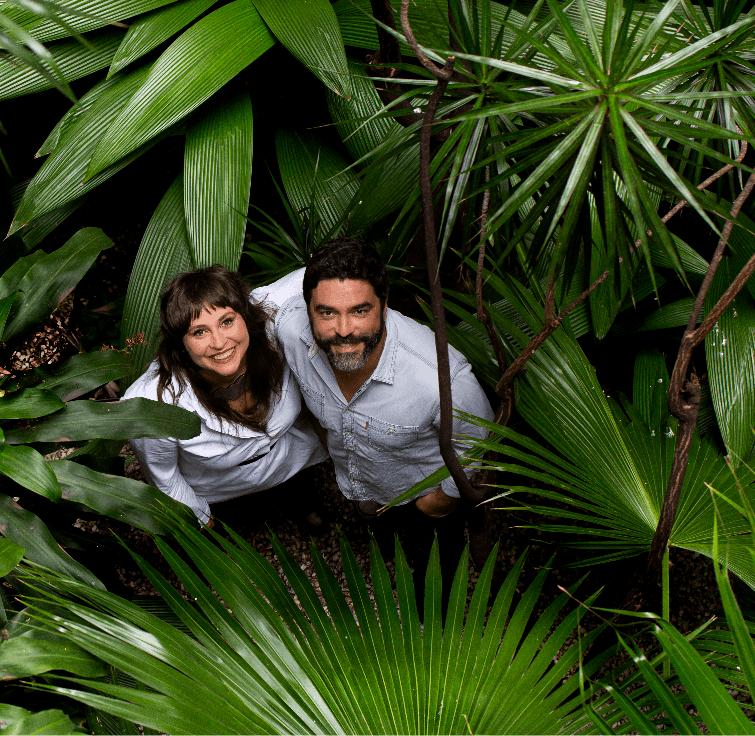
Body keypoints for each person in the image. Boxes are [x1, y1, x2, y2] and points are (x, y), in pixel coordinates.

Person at [255, 238, 492, 600]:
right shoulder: (291, 335)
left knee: (435, 564)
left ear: (384, 304)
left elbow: (479, 440)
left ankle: (434, 609)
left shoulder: (441, 380)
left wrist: (440, 499)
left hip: (423, 493)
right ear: (308, 309)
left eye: (360, 310)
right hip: (362, 486)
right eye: (327, 313)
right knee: (387, 537)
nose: (344, 329)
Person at [124, 266, 327, 530]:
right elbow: (163, 476)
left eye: (227, 321)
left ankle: (301, 504)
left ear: (246, 315)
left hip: (292, 462)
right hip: (224, 490)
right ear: (180, 343)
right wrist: (199, 516)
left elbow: (329, 271)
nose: (219, 342)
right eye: (199, 332)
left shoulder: (273, 315)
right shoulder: (154, 405)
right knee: (243, 524)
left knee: (302, 497)